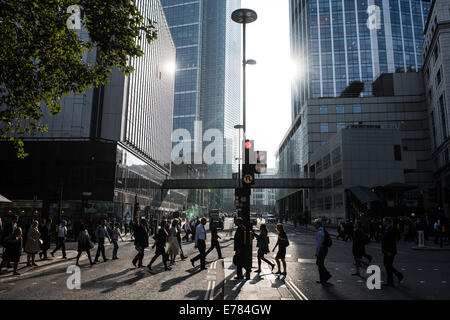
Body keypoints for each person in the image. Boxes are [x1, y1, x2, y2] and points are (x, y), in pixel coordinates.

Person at [381, 217, 404, 287]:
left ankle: (390, 282)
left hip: (390, 251)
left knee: (388, 265)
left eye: (384, 221)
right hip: (386, 250)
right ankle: (398, 275)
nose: (383, 223)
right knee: (387, 265)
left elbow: (391, 241)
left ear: (387, 222)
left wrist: (389, 251)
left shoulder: (391, 229)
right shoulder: (386, 228)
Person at [314, 219, 332, 285]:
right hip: (324, 249)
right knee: (320, 264)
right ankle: (322, 279)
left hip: (322, 249)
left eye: (315, 224)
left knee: (319, 263)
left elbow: (319, 244)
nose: (314, 226)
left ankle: (326, 275)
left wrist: (317, 252)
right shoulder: (322, 230)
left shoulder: (320, 232)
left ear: (318, 225)